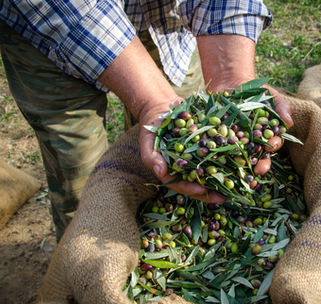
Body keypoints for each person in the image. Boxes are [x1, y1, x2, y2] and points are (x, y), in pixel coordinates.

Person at [0, 0, 293, 241]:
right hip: (48, 24)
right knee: (82, 177)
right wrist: (151, 99)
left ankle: (158, 238)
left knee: (168, 167)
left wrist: (233, 75)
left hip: (167, 21)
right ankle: (87, 255)